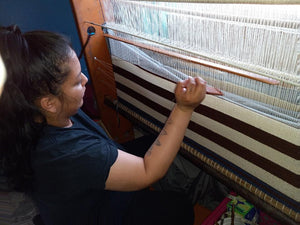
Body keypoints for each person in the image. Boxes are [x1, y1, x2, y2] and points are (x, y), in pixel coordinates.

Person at [0, 24, 206, 225]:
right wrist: (184, 108)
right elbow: (147, 171)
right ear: (49, 103)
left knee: (158, 143)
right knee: (179, 209)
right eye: (76, 82)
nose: (85, 79)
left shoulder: (33, 112)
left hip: (85, 188)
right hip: (99, 215)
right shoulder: (66, 153)